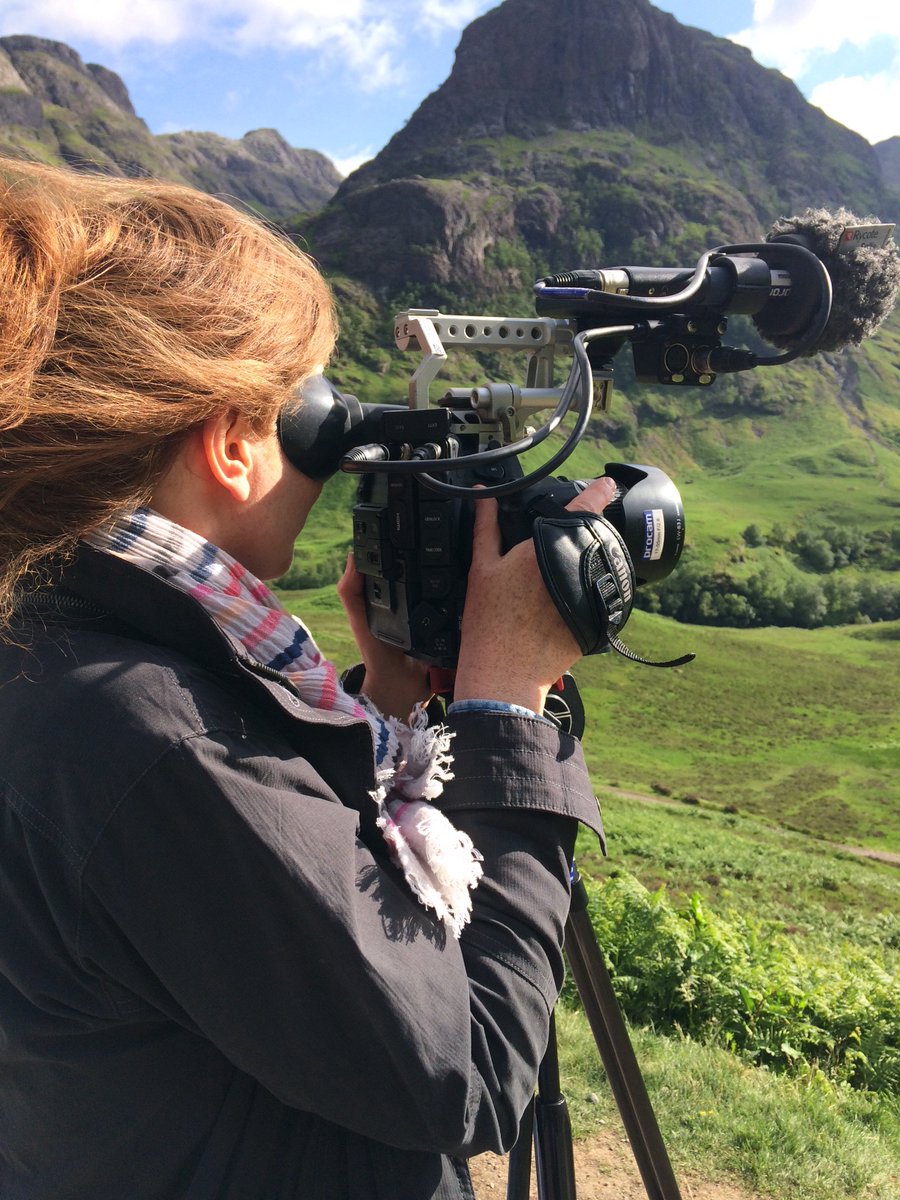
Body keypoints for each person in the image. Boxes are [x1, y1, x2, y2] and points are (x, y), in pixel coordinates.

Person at [0, 157, 613, 1200]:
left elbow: (264, 922)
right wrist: (508, 706)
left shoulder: (56, 643)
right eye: (308, 409)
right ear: (231, 442)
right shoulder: (151, 736)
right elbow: (464, 1073)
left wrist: (381, 701)